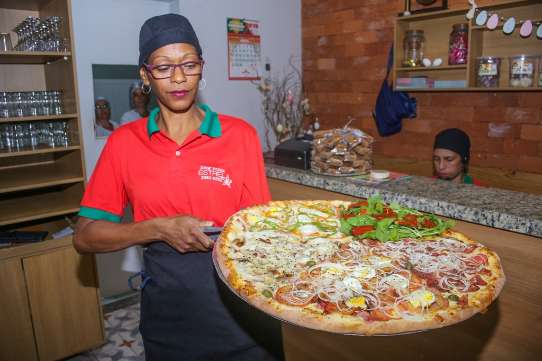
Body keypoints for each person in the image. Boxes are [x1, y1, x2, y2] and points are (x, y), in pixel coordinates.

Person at [74, 13, 283, 361]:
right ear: (145, 74)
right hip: (170, 315)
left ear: (202, 66)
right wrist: (156, 229)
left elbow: (259, 230)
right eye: (163, 67)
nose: (179, 77)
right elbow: (85, 237)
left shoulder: (240, 136)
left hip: (243, 308)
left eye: (189, 63)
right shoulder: (125, 143)